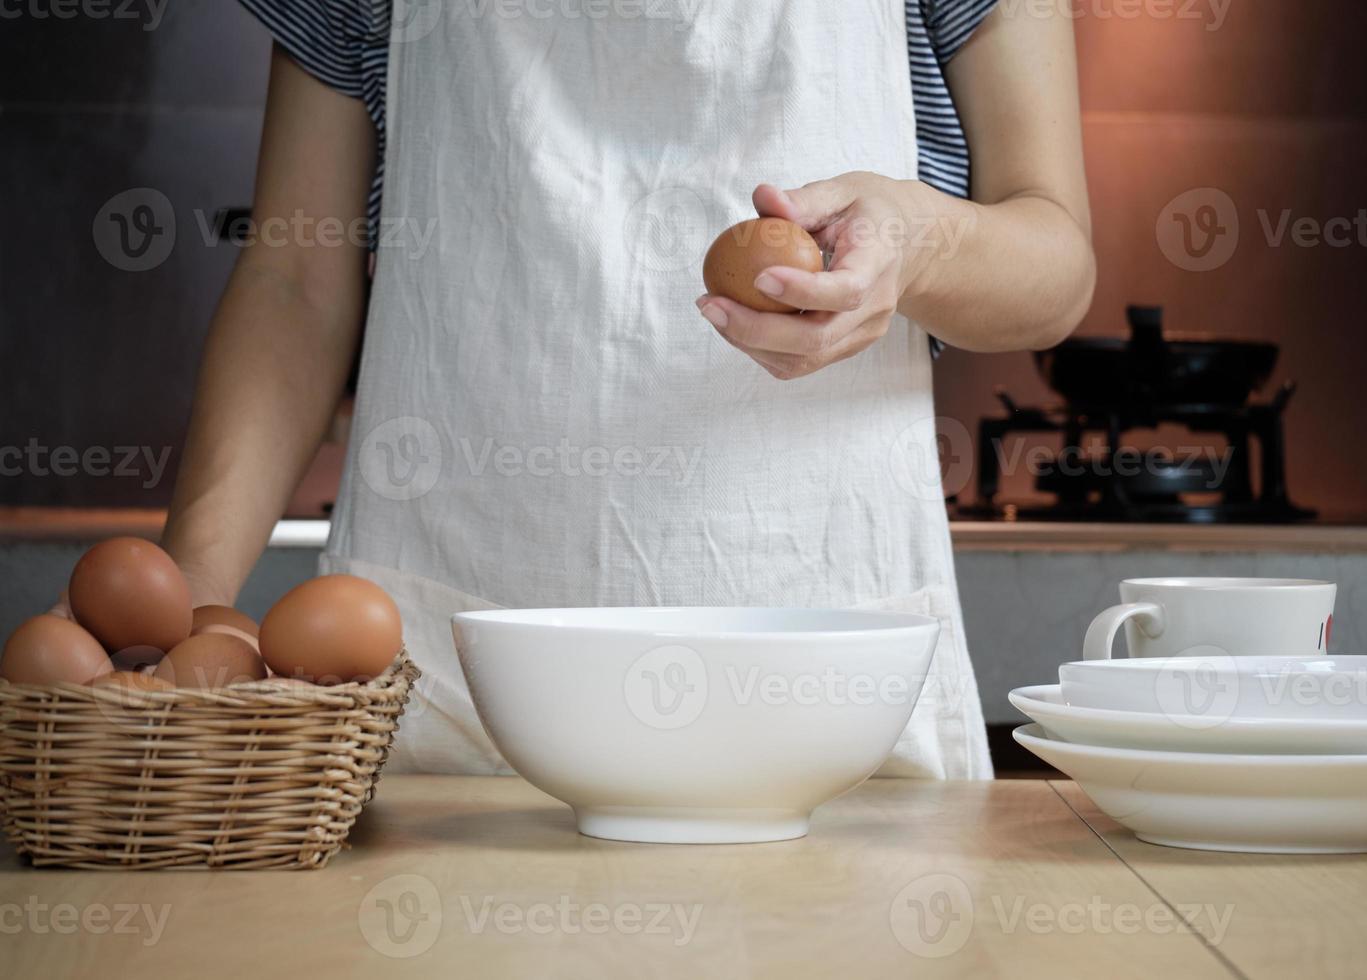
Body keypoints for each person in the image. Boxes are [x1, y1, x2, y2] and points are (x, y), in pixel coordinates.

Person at [161, 0, 1095, 777]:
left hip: (824, 698)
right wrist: (180, 599)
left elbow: (1055, 261)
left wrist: (918, 246)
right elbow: (295, 277)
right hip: (449, 697)